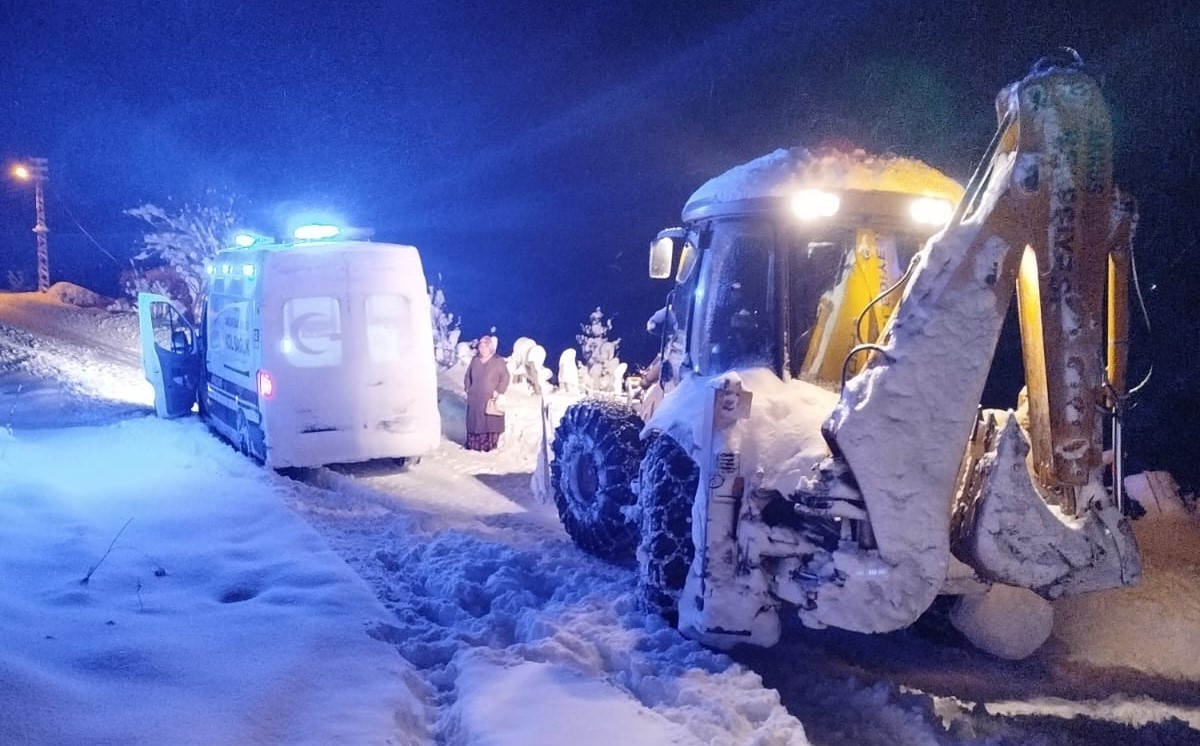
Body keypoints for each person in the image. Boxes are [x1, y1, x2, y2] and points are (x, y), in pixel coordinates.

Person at [464, 335, 510, 451]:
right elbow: (467, 376)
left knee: (489, 422)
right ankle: (473, 446)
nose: (482, 349)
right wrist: (468, 388)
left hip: (490, 398)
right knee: (474, 422)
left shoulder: (498, 361)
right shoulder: (475, 360)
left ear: (491, 348)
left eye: (485, 347)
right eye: (481, 347)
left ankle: (487, 447)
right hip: (475, 398)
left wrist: (499, 391)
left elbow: (505, 377)